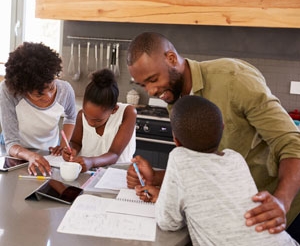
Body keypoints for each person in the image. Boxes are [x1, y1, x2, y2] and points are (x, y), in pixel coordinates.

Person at [126, 32, 300, 242]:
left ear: (171, 59)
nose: (151, 90)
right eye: (143, 85)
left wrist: (281, 201)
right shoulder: (176, 100)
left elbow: (292, 144)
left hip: (283, 214)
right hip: (236, 222)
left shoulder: (233, 79)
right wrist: (156, 177)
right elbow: (202, 167)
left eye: (153, 79)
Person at [136, 95, 299, 246]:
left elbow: (168, 222)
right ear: (222, 128)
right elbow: (214, 199)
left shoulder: (179, 157)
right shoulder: (235, 158)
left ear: (175, 139)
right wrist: (164, 195)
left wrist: (163, 201)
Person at [0, 42, 76, 176]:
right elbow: (11, 143)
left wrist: (64, 145)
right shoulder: (8, 91)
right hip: (16, 154)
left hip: (49, 153)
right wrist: (30, 156)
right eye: (39, 94)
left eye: (52, 88)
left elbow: (71, 117)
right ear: (23, 90)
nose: (48, 96)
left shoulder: (65, 90)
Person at [62, 69, 136, 172]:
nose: (90, 122)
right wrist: (72, 150)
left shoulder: (127, 113)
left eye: (97, 120)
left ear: (114, 110)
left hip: (117, 174)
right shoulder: (80, 115)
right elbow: (76, 142)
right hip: (88, 174)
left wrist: (91, 162)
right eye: (86, 115)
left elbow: (114, 154)